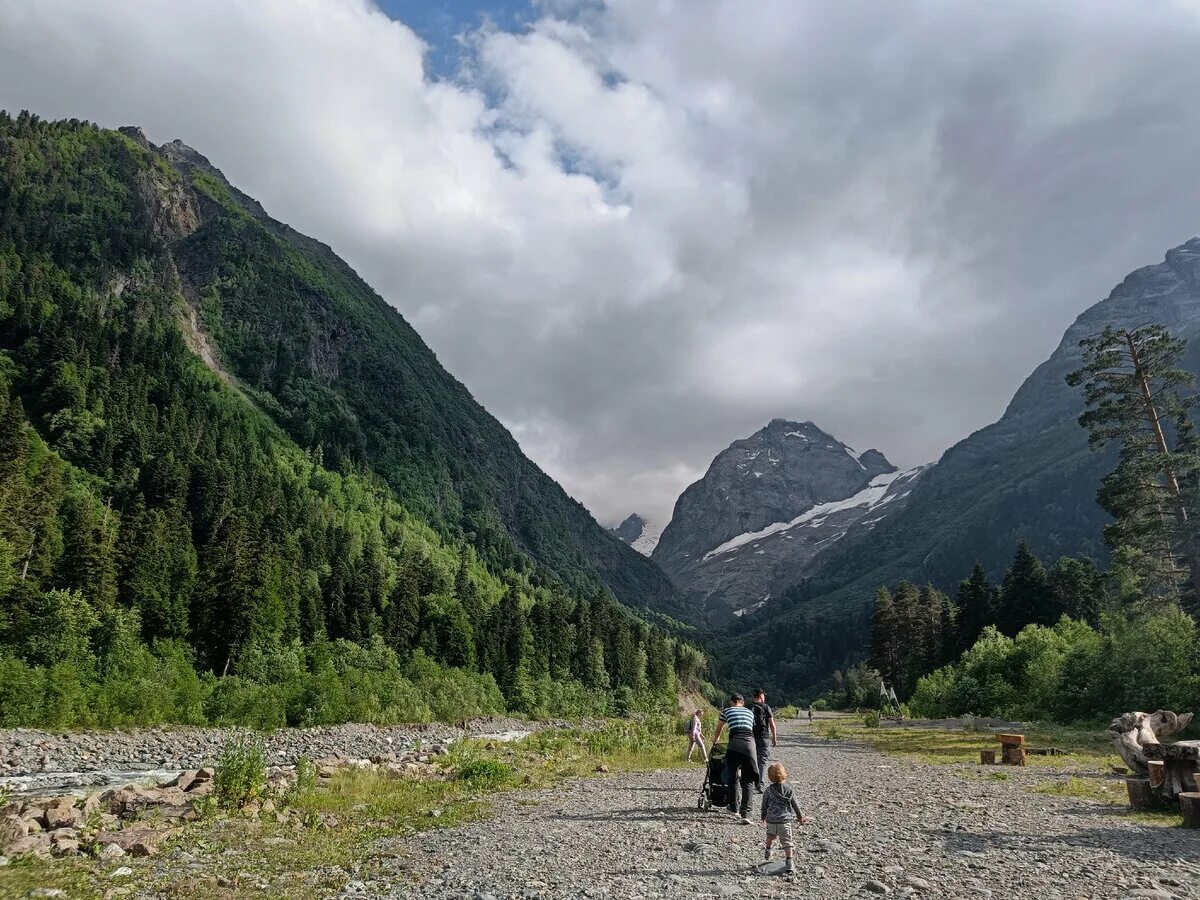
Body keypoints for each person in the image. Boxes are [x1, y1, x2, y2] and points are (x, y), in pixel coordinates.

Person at [711, 693, 758, 823]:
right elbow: (751, 729)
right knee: (748, 780)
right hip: (749, 746)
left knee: (733, 777)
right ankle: (746, 814)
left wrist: (715, 740)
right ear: (742, 702)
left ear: (731, 702)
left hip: (734, 745)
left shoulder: (727, 711)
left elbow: (719, 728)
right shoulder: (750, 712)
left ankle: (733, 807)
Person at [760, 762, 811, 875]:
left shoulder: (768, 790)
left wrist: (763, 816)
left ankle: (768, 850)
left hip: (772, 820)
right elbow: (795, 805)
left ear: (770, 777)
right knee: (787, 842)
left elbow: (764, 804)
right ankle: (789, 862)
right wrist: (800, 817)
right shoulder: (789, 790)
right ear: (784, 774)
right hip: (784, 821)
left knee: (770, 836)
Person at [751, 689, 776, 791]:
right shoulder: (766, 707)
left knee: (753, 760)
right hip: (764, 737)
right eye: (763, 696)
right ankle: (760, 784)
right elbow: (772, 724)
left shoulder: (749, 707)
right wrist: (774, 737)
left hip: (751, 737)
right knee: (763, 760)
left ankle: (750, 783)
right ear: (761, 696)